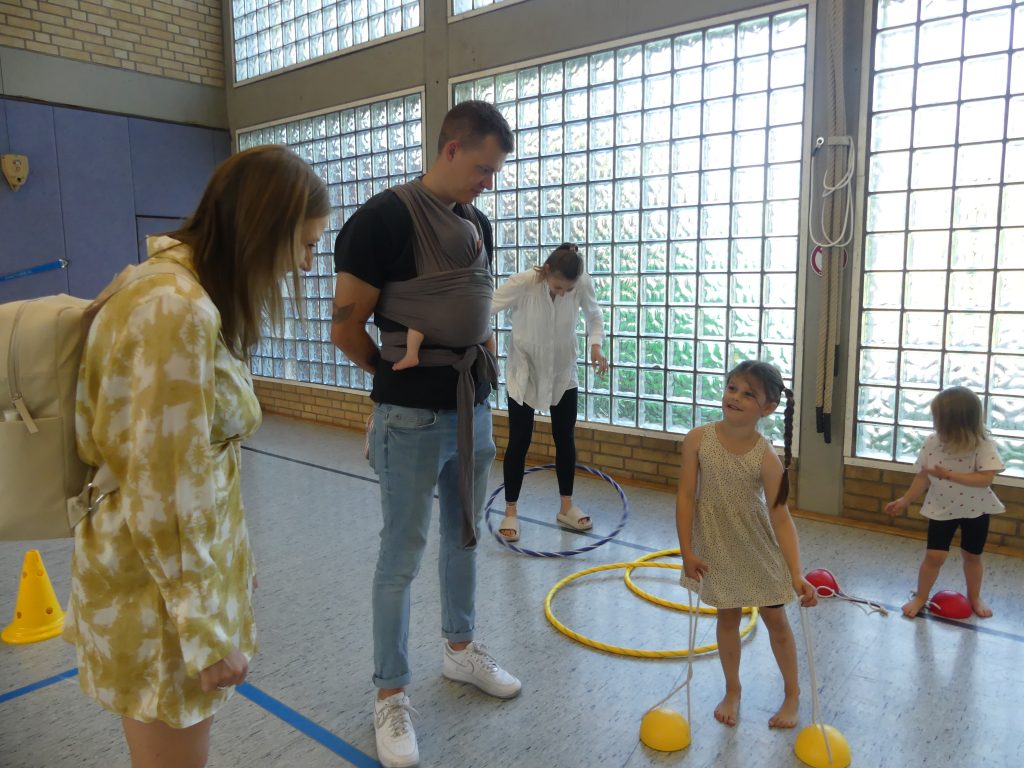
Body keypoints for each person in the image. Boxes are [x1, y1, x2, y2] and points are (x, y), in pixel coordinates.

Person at [69, 146, 329, 768]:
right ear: (263, 229)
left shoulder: (177, 288)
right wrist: (205, 627)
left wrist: (234, 562)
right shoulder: (175, 309)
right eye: (304, 244)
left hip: (162, 579)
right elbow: (164, 487)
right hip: (156, 598)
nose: (306, 263)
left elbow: (196, 464)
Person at [331, 100, 520, 768]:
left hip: (471, 409)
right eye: (482, 168)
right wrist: (392, 382)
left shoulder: (477, 222)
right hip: (410, 419)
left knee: (465, 536)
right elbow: (345, 329)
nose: (488, 183)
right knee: (401, 554)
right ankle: (390, 692)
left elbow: (475, 309)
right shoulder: (381, 220)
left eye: (494, 173)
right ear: (451, 148)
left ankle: (460, 650)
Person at [677, 360, 817, 729]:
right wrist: (687, 551)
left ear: (767, 408)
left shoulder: (765, 456)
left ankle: (792, 694)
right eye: (732, 388)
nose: (735, 397)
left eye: (748, 394)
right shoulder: (698, 439)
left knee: (775, 620)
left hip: (757, 549)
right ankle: (733, 690)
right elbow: (686, 497)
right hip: (716, 546)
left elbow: (781, 518)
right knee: (727, 618)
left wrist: (796, 573)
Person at [489, 242, 608, 542]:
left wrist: (596, 345)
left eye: (569, 289)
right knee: (519, 440)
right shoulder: (524, 282)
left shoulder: (581, 282)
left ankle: (566, 506)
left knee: (565, 438)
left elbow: (594, 316)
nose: (563, 293)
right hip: (525, 371)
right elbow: (485, 307)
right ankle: (511, 511)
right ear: (546, 272)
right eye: (558, 287)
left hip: (562, 372)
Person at [884, 386, 1004, 619]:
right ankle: (921, 596)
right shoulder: (932, 442)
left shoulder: (982, 444)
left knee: (972, 556)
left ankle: (974, 597)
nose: (935, 423)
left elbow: (985, 478)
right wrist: (905, 500)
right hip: (941, 508)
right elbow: (923, 476)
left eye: (938, 419)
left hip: (976, 510)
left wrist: (949, 475)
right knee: (934, 556)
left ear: (957, 422)